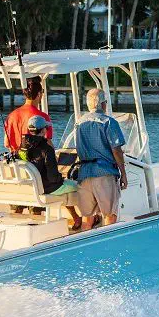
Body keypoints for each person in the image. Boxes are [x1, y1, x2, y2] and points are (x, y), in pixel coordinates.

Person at [76, 88, 128, 229]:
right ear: (104, 104)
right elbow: (116, 150)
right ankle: (109, 247)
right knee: (109, 216)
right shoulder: (109, 122)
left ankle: (85, 246)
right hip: (104, 173)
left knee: (87, 218)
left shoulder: (79, 123)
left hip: (84, 173)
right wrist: (123, 174)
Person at [19, 115, 82, 230]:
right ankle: (91, 217)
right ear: (43, 130)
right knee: (81, 186)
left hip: (30, 187)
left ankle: (76, 218)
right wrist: (61, 179)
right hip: (47, 188)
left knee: (66, 185)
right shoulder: (47, 149)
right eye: (46, 129)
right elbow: (53, 178)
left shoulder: (22, 148)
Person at [4, 76, 53, 152]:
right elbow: (48, 143)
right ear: (39, 94)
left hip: (16, 161)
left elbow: (7, 144)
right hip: (35, 162)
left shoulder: (11, 116)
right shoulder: (43, 117)